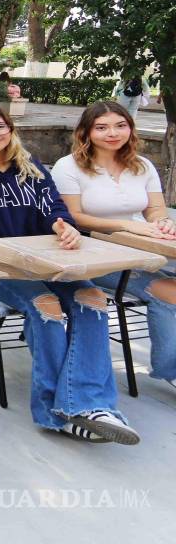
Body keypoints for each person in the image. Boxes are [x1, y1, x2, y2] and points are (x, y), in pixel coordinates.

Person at [0, 104, 139, 444]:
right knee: (46, 305)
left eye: (1, 126)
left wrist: (64, 226)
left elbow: (55, 208)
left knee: (92, 299)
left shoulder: (30, 167)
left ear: (11, 129)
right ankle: (55, 412)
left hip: (43, 259)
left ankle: (90, 407)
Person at [51, 101, 176, 389]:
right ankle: (170, 369)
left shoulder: (141, 165)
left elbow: (155, 209)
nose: (113, 133)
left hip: (142, 247)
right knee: (170, 292)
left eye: (120, 125)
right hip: (92, 253)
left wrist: (162, 222)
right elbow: (73, 216)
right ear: (86, 131)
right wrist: (126, 225)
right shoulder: (68, 166)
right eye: (102, 127)